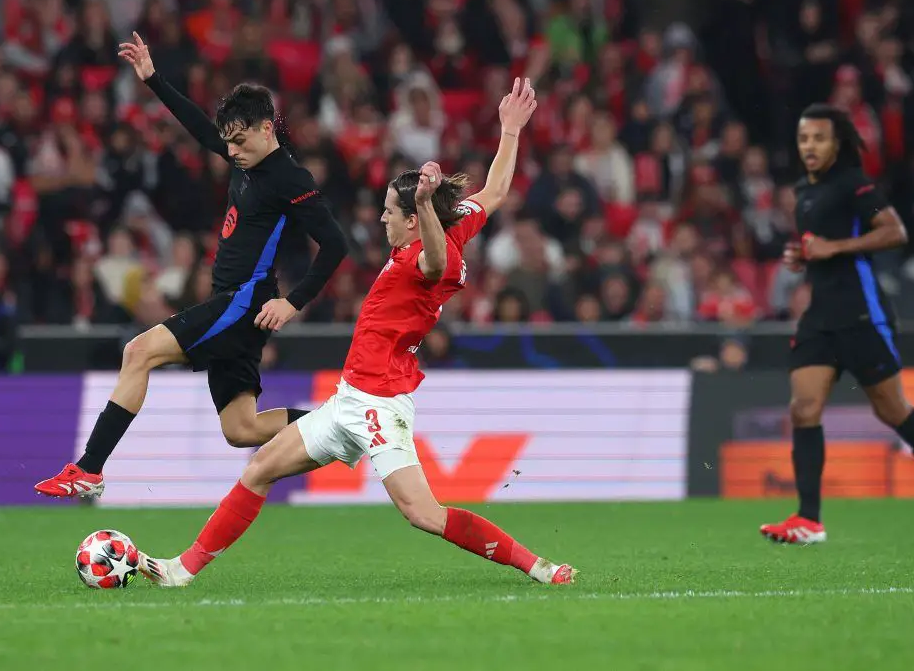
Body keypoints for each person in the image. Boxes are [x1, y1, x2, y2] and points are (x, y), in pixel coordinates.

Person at [136, 79, 574, 587]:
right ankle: (181, 570)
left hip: (379, 404)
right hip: (348, 398)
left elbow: (435, 263)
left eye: (390, 211)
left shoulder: (433, 258)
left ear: (414, 220)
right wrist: (510, 130)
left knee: (424, 514)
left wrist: (424, 203)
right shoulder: (453, 226)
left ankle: (539, 567)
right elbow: (494, 192)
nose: (382, 217)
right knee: (258, 469)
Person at [35, 33, 348, 499]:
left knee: (138, 352)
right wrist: (153, 79)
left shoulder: (289, 178)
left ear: (267, 128)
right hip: (233, 304)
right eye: (229, 142)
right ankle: (345, 426)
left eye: (239, 141)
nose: (231, 151)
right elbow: (201, 128)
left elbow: (337, 244)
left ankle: (89, 469)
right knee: (241, 429)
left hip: (243, 303)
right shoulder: (247, 157)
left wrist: (292, 302)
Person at [760, 104, 914, 545]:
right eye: (804, 139)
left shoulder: (855, 184)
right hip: (821, 316)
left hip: (861, 313)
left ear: (837, 142)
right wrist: (803, 256)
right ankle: (808, 519)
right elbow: (820, 249)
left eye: (819, 138)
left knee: (891, 409)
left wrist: (834, 247)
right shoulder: (804, 191)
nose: (809, 146)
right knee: (803, 407)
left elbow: (895, 231)